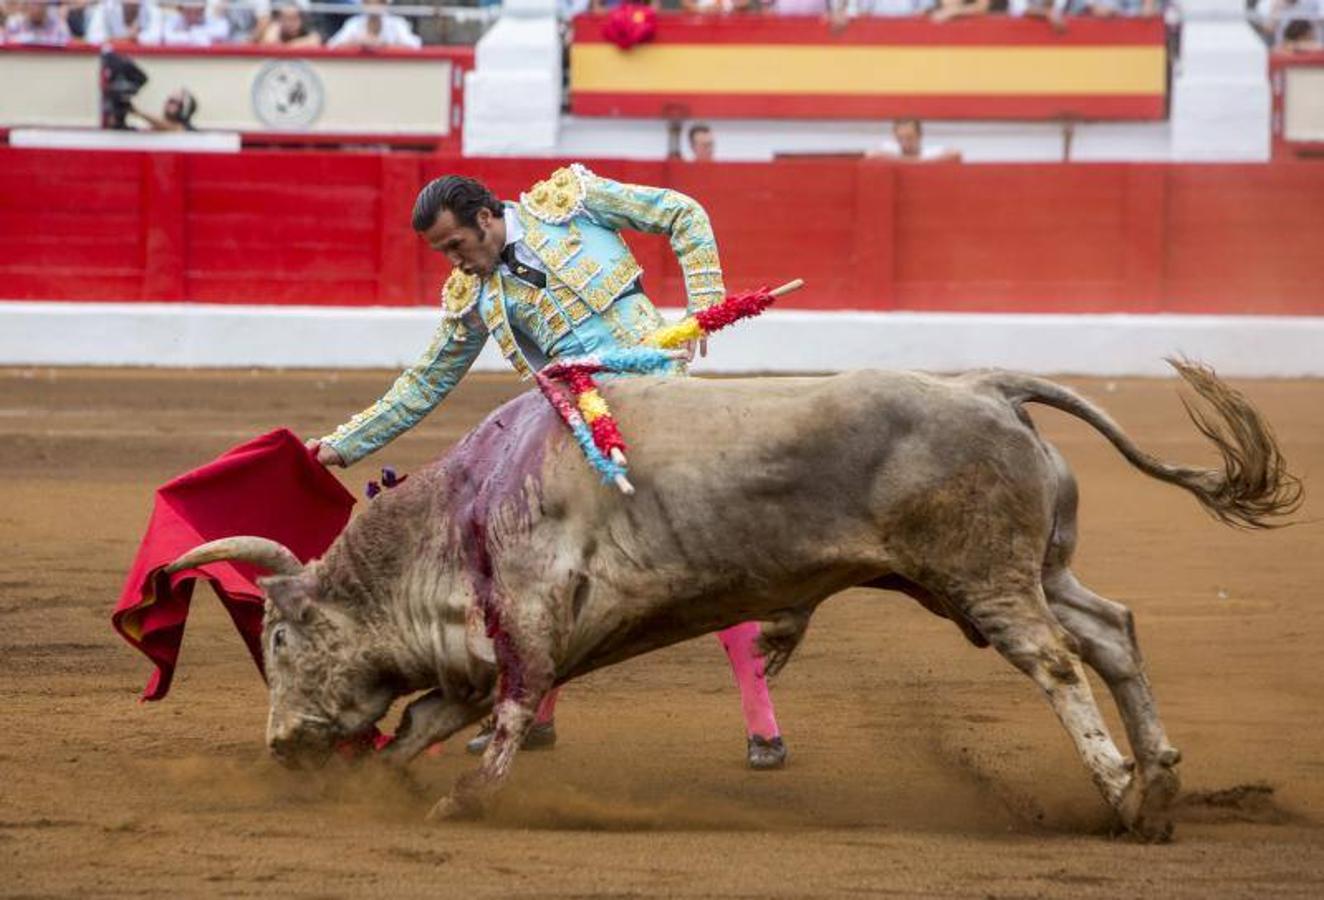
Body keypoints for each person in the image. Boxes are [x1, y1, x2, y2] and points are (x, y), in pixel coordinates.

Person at [306, 166, 789, 770]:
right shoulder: (474, 295)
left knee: (706, 553)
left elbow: (681, 213)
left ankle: (763, 727)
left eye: (456, 245)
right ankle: (534, 720)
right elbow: (425, 382)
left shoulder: (570, 203)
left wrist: (706, 303)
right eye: (442, 253)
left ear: (486, 218)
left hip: (662, 403)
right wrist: (341, 444)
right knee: (539, 565)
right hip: (578, 429)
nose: (454, 263)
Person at [326, 0, 420, 49]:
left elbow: (415, 47)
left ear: (385, 4)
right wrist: (358, 44)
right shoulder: (354, 24)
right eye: (368, 2)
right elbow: (332, 46)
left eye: (378, 2)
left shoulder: (397, 24)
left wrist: (384, 46)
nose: (373, 6)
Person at [867, 118, 962, 163]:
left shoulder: (930, 152)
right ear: (895, 137)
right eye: (900, 138)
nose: (905, 142)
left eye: (910, 138)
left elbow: (956, 155)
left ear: (919, 136)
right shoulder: (890, 149)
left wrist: (912, 161)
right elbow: (871, 156)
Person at [129, 88, 198, 130]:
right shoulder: (158, 126)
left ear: (183, 111)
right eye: (169, 100)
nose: (168, 104)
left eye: (173, 102)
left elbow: (167, 126)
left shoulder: (182, 129)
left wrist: (138, 112)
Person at [4, 0, 72, 43]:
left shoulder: (59, 25)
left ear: (46, 7)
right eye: (33, 4)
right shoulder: (14, 23)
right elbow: (5, 44)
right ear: (26, 6)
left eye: (40, 5)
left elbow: (67, 46)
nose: (37, 9)